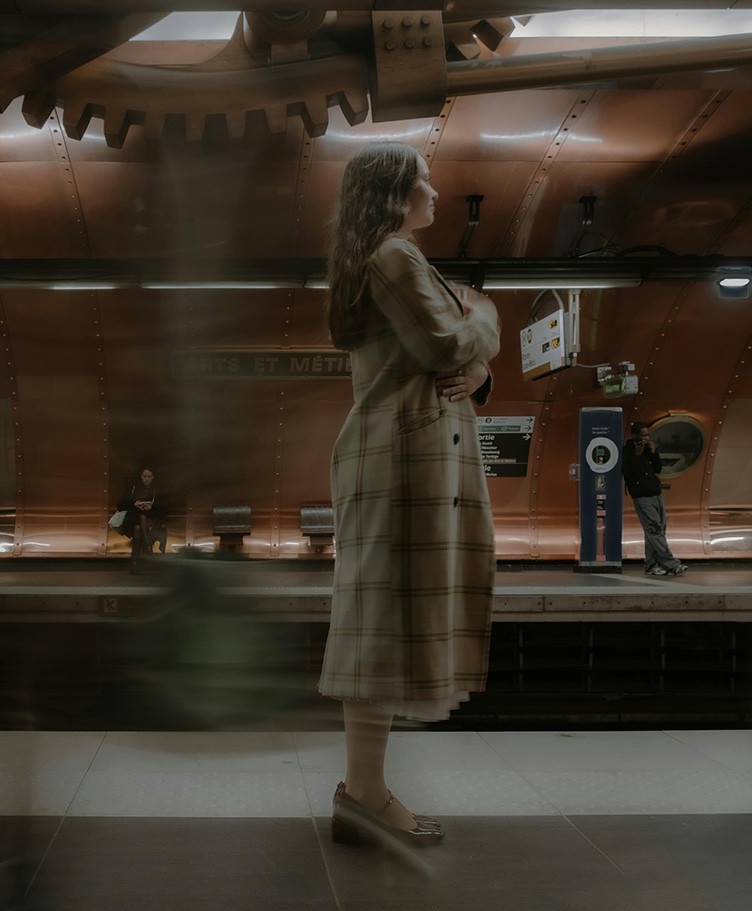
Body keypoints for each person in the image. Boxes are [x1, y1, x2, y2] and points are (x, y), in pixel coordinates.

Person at [318, 141, 501, 849]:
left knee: (381, 629)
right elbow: (446, 344)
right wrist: (483, 319)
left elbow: (449, 360)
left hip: (395, 462)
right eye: (423, 180)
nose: (434, 189)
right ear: (393, 193)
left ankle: (364, 791)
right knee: (380, 630)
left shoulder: (389, 258)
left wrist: (477, 369)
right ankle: (365, 795)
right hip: (400, 466)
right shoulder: (395, 256)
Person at [623, 421, 686, 576]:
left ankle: (651, 565)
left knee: (657, 529)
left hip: (655, 492)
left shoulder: (648, 450)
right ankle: (672, 564)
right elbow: (628, 472)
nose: (646, 438)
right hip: (641, 494)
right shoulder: (627, 451)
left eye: (647, 435)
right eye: (643, 435)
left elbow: (657, 468)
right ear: (635, 435)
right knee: (654, 529)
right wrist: (637, 455)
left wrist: (653, 452)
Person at [116, 468, 167, 571]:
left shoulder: (156, 490)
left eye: (149, 477)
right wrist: (134, 504)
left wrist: (151, 507)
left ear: (153, 478)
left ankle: (135, 563)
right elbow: (120, 505)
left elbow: (164, 509)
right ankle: (148, 548)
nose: (147, 479)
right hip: (133, 519)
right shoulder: (133, 488)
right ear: (141, 477)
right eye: (144, 476)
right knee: (141, 520)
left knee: (138, 529)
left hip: (149, 520)